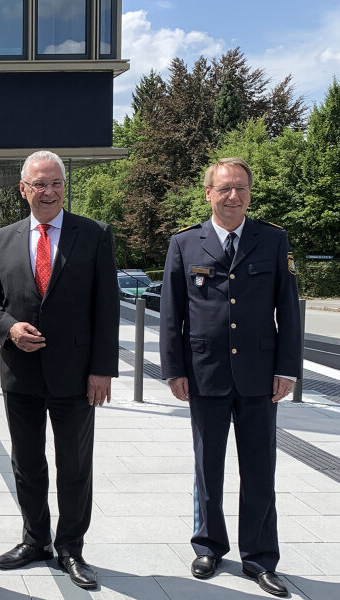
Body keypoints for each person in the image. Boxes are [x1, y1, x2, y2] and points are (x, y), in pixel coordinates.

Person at [0, 150, 120, 589]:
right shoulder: (2, 239)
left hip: (77, 376)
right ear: (24, 189)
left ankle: (71, 548)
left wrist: (102, 370)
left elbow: (107, 307)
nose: (49, 191)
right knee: (28, 463)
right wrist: (9, 328)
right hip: (21, 373)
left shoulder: (94, 234)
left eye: (56, 182)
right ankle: (34, 540)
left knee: (74, 464)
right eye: (39, 183)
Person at [159, 157, 301, 598]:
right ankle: (208, 545)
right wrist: (174, 370)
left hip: (261, 376)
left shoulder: (273, 240)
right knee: (208, 466)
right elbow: (171, 314)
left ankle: (260, 557)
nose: (233, 196)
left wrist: (287, 369)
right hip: (205, 374)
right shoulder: (185, 244)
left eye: (240, 188)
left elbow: (289, 309)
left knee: (260, 470)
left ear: (249, 194)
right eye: (224, 189)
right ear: (208, 194)